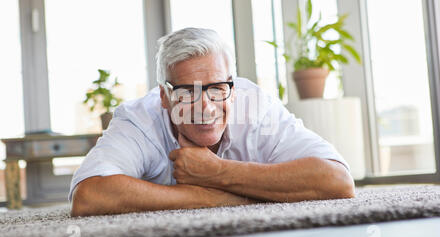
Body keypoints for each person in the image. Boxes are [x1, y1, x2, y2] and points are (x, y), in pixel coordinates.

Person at [70, 27, 355, 217]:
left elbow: (337, 180)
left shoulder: (256, 106)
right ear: (165, 97)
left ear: (232, 86)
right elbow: (90, 195)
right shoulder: (138, 120)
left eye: (217, 87)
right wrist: (217, 197)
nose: (205, 106)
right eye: (187, 92)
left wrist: (217, 172)